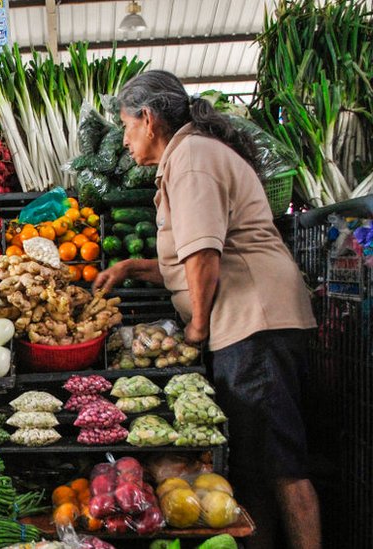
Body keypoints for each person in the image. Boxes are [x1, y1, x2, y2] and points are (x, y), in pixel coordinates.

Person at [92, 70, 321, 549]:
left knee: (281, 463)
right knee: (258, 462)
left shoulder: (192, 158)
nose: (125, 138)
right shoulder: (188, 156)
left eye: (126, 126)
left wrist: (196, 326)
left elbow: (203, 255)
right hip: (254, 322)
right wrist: (133, 267)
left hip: (254, 322)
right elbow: (183, 260)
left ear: (149, 119)